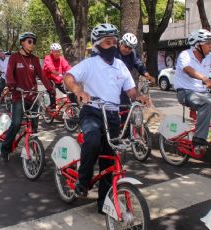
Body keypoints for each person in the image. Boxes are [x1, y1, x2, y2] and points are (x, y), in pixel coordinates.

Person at [63, 23, 148, 214]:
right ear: (98, 45)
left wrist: (138, 97)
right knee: (92, 141)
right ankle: (83, 182)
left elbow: (130, 89)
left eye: (113, 42)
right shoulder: (89, 63)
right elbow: (68, 77)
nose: (112, 45)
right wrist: (78, 90)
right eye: (107, 42)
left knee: (110, 160)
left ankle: (104, 203)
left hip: (112, 115)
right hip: (92, 111)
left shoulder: (120, 66)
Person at [0, 32, 56, 162]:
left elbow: (42, 76)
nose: (32, 44)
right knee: (16, 123)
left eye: (33, 42)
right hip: (19, 96)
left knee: (35, 126)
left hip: (32, 97)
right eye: (30, 41)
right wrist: (12, 85)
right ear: (22, 43)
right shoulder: (14, 58)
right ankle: (5, 148)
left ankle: (34, 150)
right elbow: (9, 74)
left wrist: (50, 89)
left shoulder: (35, 60)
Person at [116, 32, 155, 123]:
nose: (127, 50)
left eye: (130, 48)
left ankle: (126, 132)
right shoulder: (114, 52)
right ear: (121, 43)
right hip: (112, 83)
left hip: (125, 84)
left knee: (126, 108)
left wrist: (148, 76)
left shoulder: (132, 53)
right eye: (125, 47)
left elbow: (139, 64)